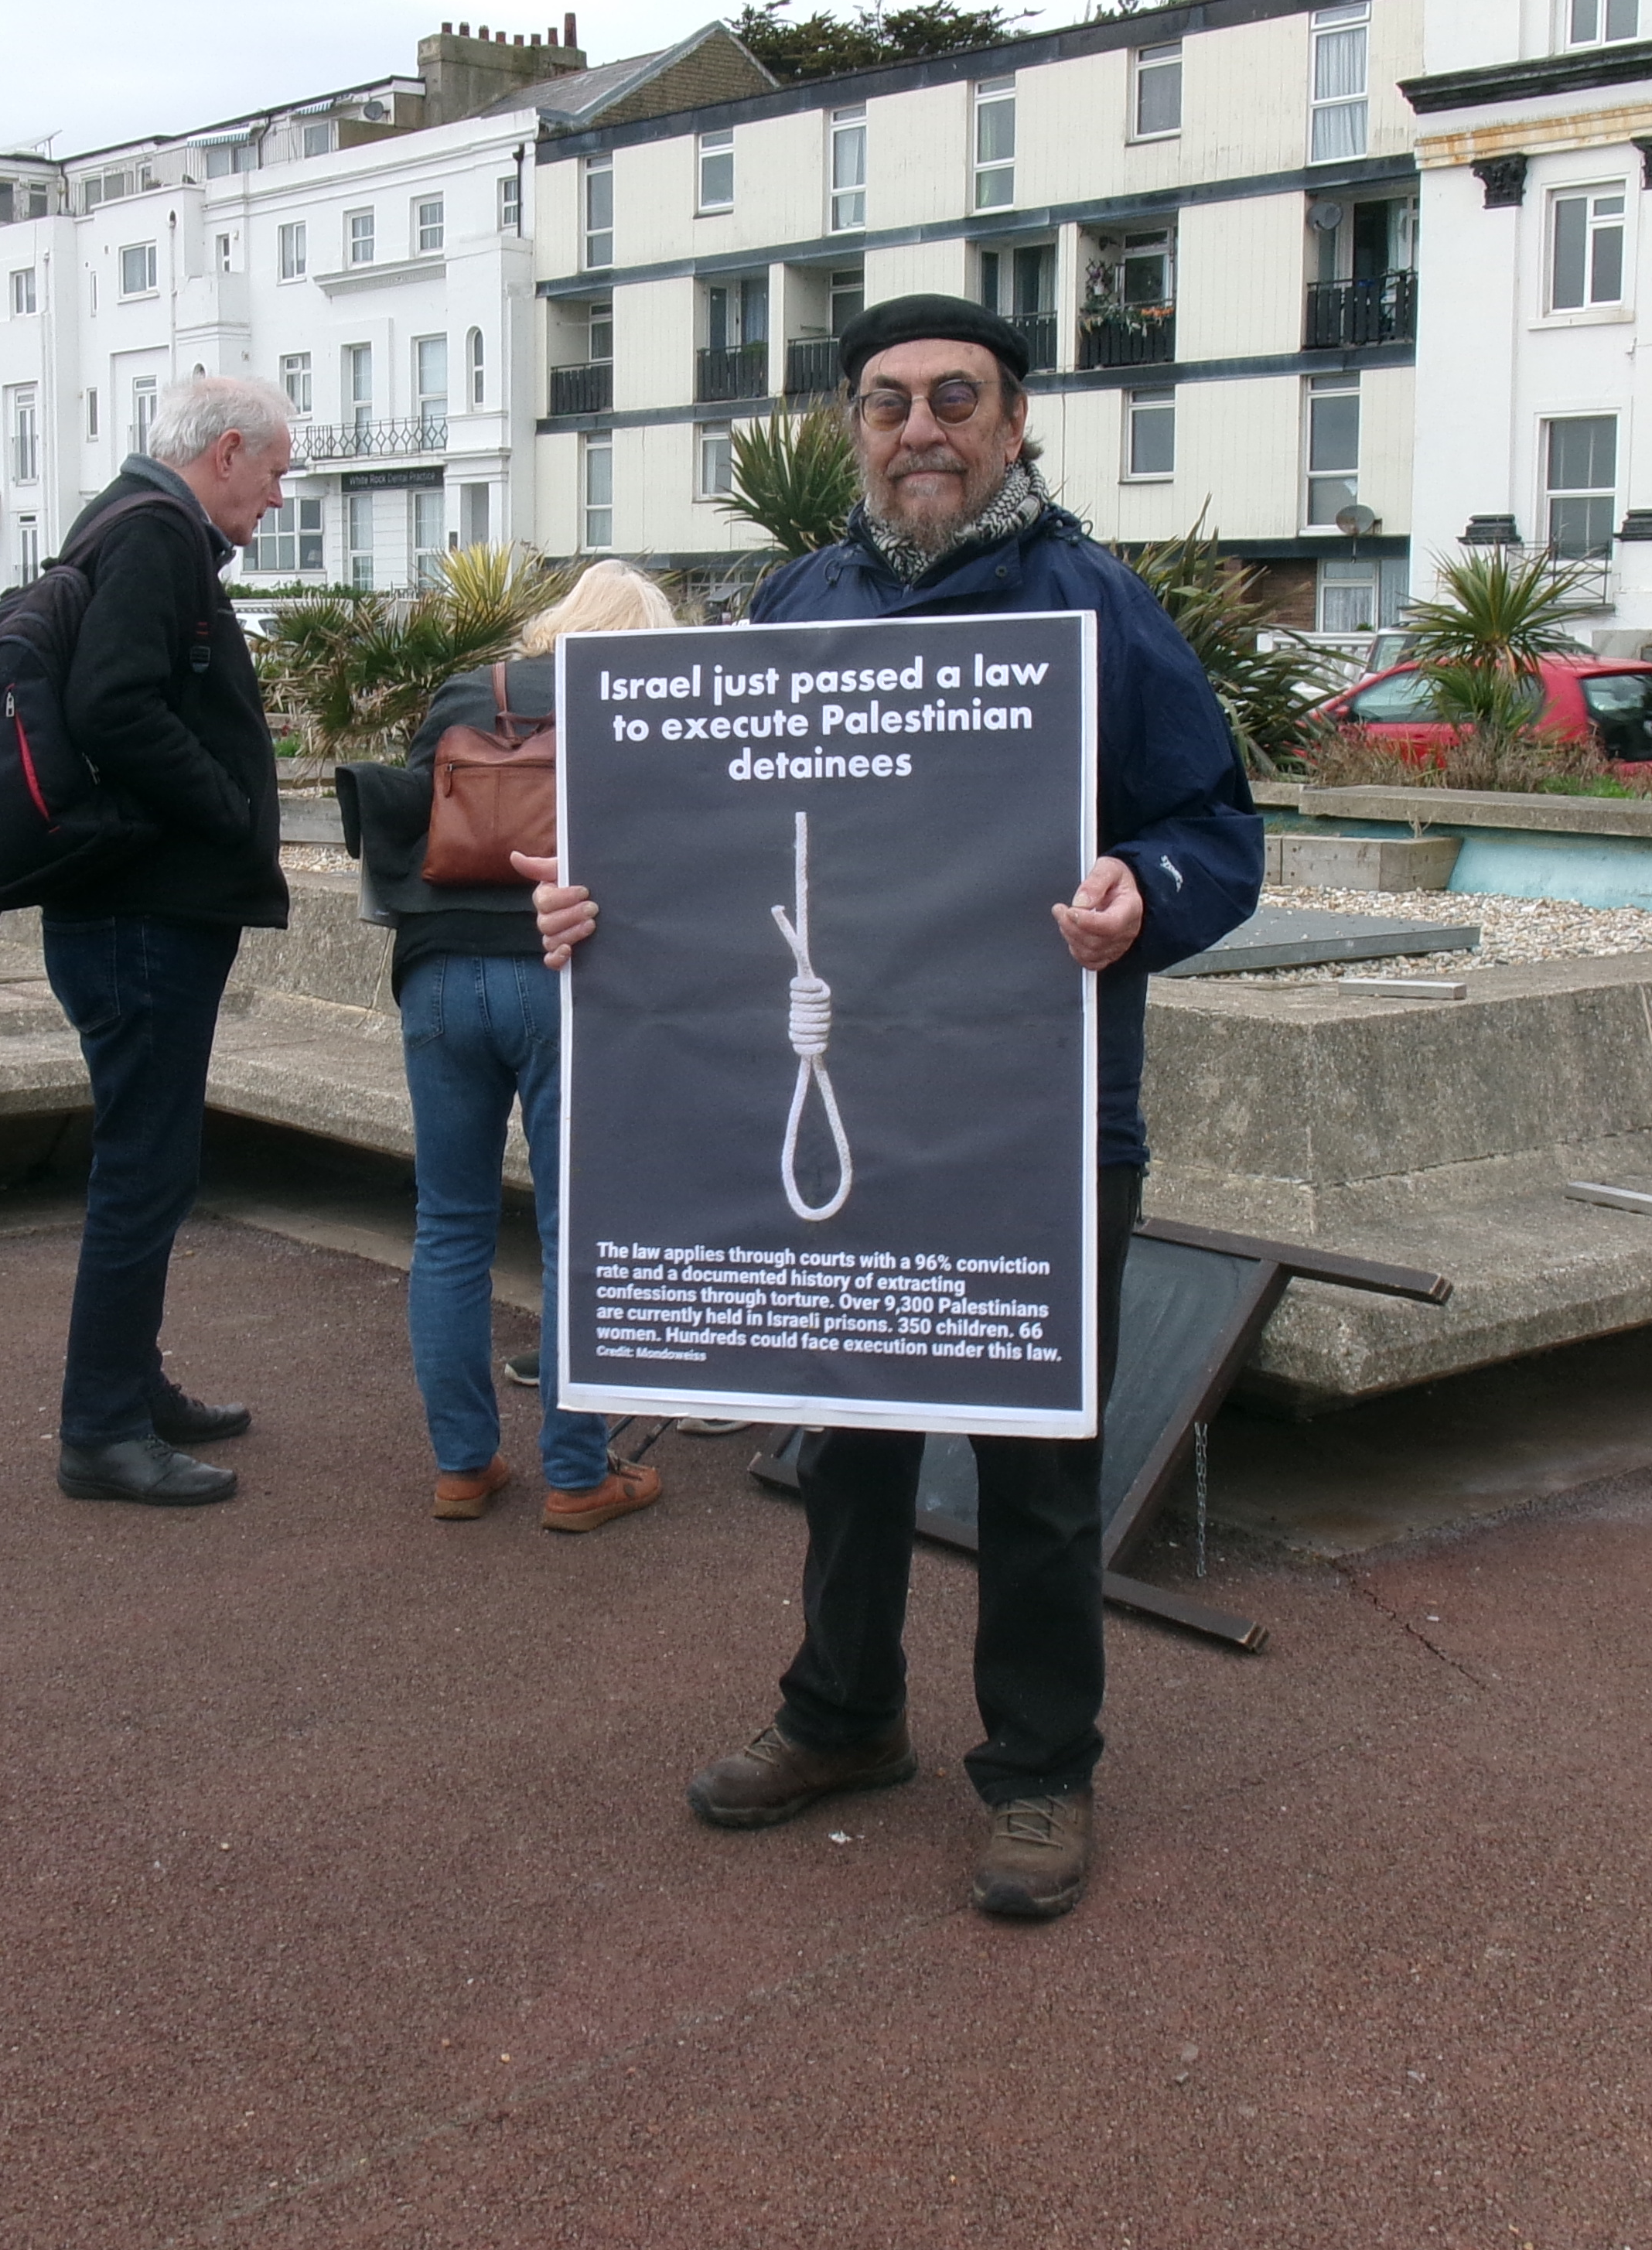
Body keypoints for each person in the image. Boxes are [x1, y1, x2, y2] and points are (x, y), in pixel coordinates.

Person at [524, 294, 1260, 1921]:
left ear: (1013, 425)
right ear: (851, 431)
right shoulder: (801, 600)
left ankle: (1042, 1775)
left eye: (953, 399)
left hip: (1042, 1129)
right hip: (850, 1088)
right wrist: (597, 910)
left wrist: (1148, 887)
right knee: (842, 1441)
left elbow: (1219, 829)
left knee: (1038, 1470)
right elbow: (715, 844)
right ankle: (843, 1717)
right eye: (885, 404)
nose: (917, 428)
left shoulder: (1101, 607)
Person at [344, 562, 678, 1532]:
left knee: (449, 1225)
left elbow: (412, 819)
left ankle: (463, 1467)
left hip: (439, 974)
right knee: (575, 1230)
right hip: (560, 975)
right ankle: (577, 1476)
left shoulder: (465, 692)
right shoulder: (635, 701)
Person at [38, 377, 295, 1511]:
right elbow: (115, 708)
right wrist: (228, 812)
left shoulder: (128, 525)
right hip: (141, 918)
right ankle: (100, 1428)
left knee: (152, 1161)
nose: (278, 498)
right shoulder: (153, 536)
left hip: (131, 912)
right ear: (228, 451)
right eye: (278, 473)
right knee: (145, 1170)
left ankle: (131, 1389)